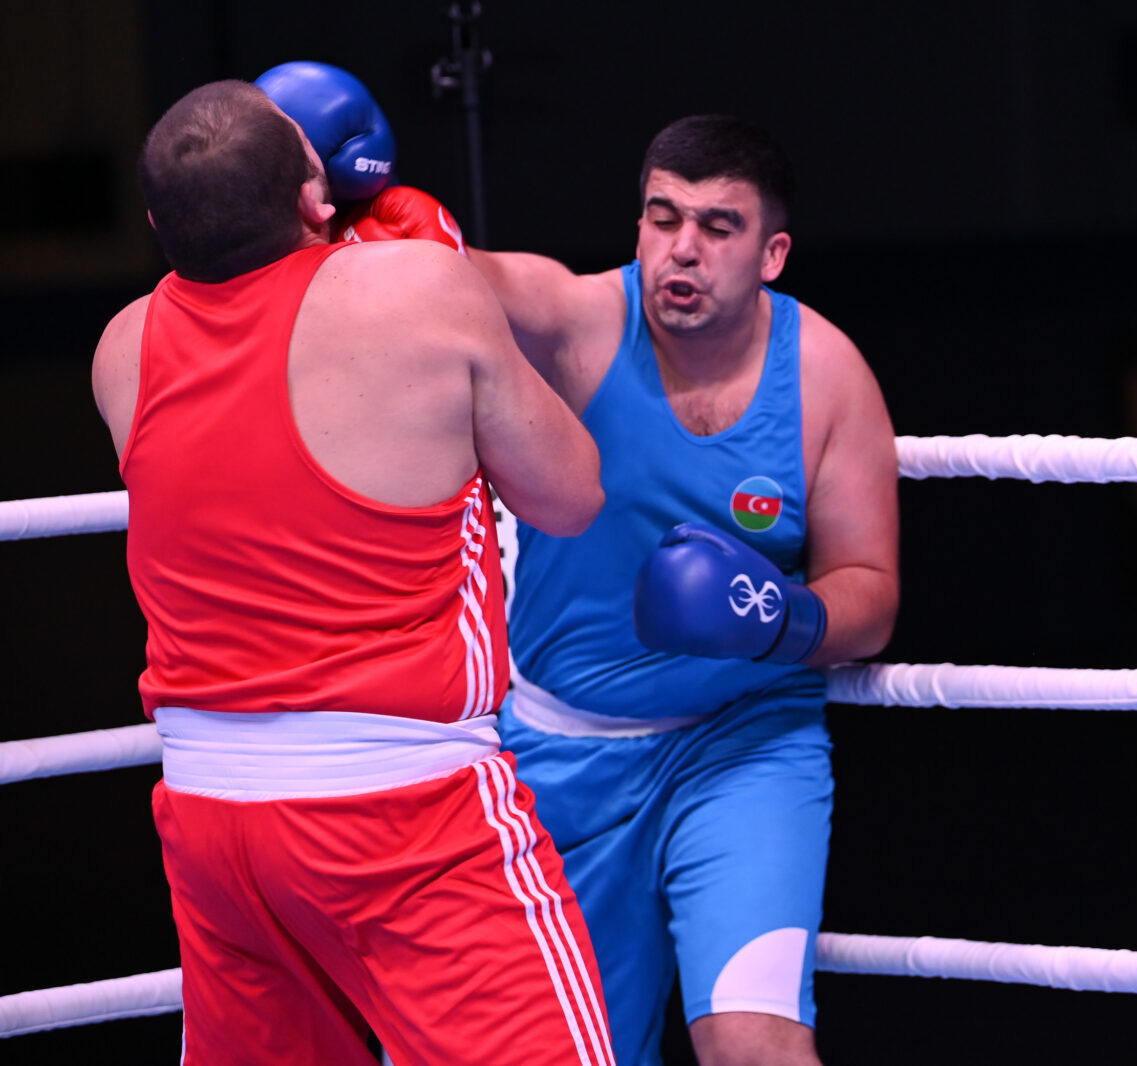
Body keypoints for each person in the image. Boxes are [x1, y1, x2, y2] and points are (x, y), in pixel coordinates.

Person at [273, 68, 901, 1064]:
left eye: (718, 226)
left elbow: (870, 593)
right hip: (560, 759)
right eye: (663, 217)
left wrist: (780, 617)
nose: (681, 250)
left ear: (773, 252)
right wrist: (325, 193)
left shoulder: (827, 378)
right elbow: (447, 276)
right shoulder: (577, 322)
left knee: (756, 1045)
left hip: (743, 748)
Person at [91, 79, 614, 1066]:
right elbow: (570, 495)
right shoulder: (418, 287)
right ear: (313, 198)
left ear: (160, 224)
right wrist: (438, 272)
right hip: (404, 813)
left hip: (212, 824)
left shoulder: (122, 349)